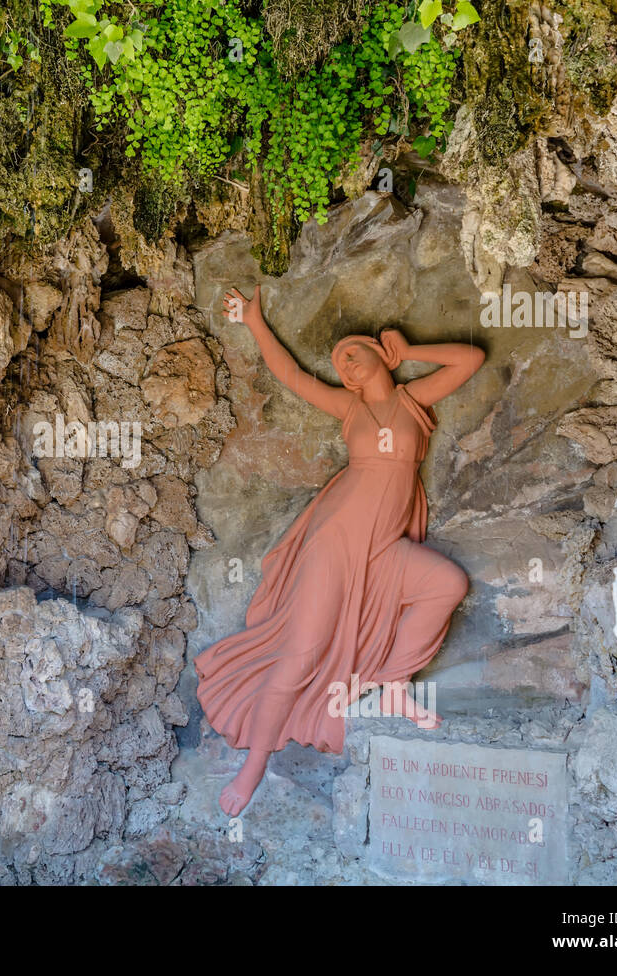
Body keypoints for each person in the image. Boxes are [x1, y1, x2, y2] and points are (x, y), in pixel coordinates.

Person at [195, 285, 485, 816]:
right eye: (340, 363)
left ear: (380, 353)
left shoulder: (412, 400)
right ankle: (253, 766)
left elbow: (471, 357)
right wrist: (256, 322)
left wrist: (411, 350)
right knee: (300, 655)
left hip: (385, 546)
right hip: (334, 542)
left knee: (447, 584)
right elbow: (290, 375)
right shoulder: (348, 407)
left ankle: (394, 685)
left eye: (354, 354)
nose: (346, 366)